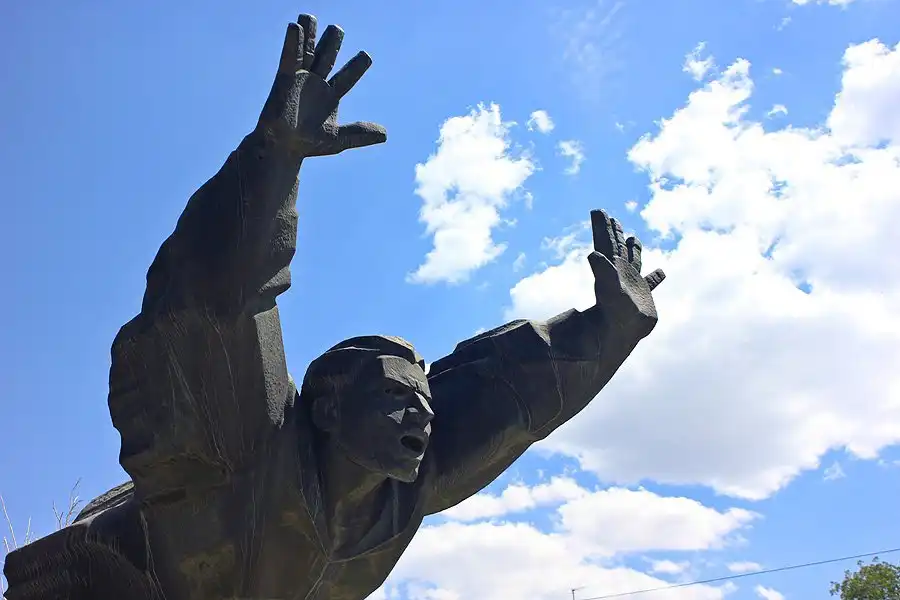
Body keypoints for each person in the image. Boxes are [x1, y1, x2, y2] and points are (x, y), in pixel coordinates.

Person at [2, 14, 666, 600]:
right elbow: (216, 302)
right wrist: (275, 158)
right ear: (327, 409)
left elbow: (518, 399)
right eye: (396, 397)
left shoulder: (406, 486)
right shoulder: (249, 442)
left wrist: (612, 330)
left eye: (423, 401)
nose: (422, 414)